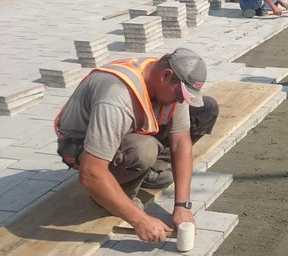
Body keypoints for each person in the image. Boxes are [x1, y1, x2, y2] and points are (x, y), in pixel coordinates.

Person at [53, 48, 216, 244]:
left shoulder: (167, 80)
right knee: (143, 148)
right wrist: (140, 220)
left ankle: (148, 171)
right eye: (180, 93)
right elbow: (90, 173)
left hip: (124, 130)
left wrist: (182, 206)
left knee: (206, 109)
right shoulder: (117, 98)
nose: (181, 99)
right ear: (166, 76)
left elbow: (180, 143)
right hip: (81, 145)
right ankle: (110, 195)